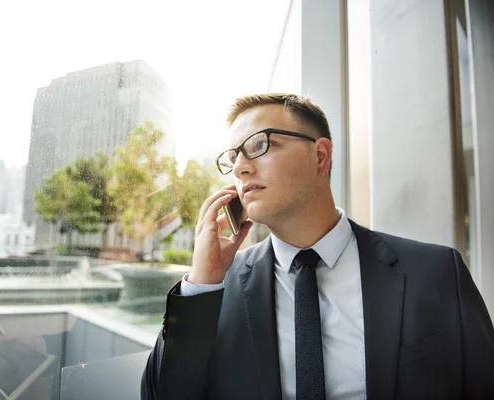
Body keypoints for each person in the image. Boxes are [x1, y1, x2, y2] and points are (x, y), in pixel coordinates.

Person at [141, 93, 494, 399]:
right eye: (233, 158)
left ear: (321, 156)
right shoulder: (214, 292)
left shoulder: (435, 272)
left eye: (259, 146)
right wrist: (201, 281)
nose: (241, 168)